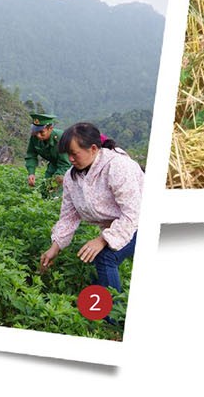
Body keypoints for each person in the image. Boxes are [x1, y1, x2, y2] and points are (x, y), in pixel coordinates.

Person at [39, 123, 143, 298]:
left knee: (105, 258)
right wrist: (55, 247)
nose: (70, 159)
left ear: (93, 149)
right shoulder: (71, 177)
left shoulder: (117, 166)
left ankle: (113, 317)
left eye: (74, 153)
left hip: (140, 221)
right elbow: (69, 216)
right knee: (101, 266)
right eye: (67, 154)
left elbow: (133, 212)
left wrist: (103, 240)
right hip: (119, 226)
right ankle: (101, 309)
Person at [25, 113, 71, 188]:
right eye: (36, 132)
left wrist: (56, 179)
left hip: (69, 167)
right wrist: (31, 173)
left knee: (57, 192)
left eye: (41, 132)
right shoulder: (34, 138)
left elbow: (65, 164)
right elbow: (31, 155)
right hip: (53, 165)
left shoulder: (60, 138)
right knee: (45, 190)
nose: (38, 135)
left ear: (50, 128)